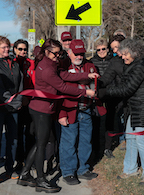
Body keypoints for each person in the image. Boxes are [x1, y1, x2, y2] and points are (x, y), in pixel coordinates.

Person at [17, 39, 98, 193]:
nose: (59, 56)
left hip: (43, 108)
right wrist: (85, 92)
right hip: (41, 110)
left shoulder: (50, 63)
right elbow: (62, 86)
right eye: (56, 53)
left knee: (40, 142)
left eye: (60, 53)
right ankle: (41, 179)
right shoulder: (46, 68)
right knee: (42, 144)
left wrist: (88, 74)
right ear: (47, 51)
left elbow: (64, 74)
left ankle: (25, 174)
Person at [104, 38, 144, 186]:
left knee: (141, 140)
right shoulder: (132, 65)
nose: (122, 57)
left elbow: (127, 89)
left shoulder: (140, 66)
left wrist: (104, 92)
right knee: (130, 138)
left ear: (133, 52)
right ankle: (130, 169)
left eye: (124, 54)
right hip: (135, 107)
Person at [58, 39, 104, 185]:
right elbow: (59, 90)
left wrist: (96, 84)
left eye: (82, 54)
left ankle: (83, 169)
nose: (79, 57)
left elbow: (96, 85)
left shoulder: (90, 66)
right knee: (69, 143)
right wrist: (61, 114)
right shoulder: (62, 66)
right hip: (69, 110)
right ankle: (68, 172)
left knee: (85, 141)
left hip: (86, 110)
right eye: (76, 54)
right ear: (69, 52)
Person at [0, 36, 23, 181]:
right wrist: (12, 101)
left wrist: (18, 98)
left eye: (8, 46)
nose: (6, 49)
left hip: (13, 107)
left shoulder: (13, 63)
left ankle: (9, 168)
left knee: (13, 139)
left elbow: (19, 82)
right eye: (3, 47)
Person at [12, 39, 35, 172]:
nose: (23, 51)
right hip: (16, 103)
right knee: (17, 134)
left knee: (30, 133)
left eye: (25, 49)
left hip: (29, 102)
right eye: (20, 49)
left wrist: (27, 98)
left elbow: (33, 82)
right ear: (15, 49)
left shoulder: (31, 63)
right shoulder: (11, 63)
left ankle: (29, 160)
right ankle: (19, 161)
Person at [89, 38, 114, 160]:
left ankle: (107, 148)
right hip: (97, 95)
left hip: (111, 94)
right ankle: (96, 147)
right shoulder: (92, 62)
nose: (101, 51)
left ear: (107, 49)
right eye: (98, 50)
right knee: (97, 122)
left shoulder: (113, 61)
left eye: (103, 49)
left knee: (110, 122)